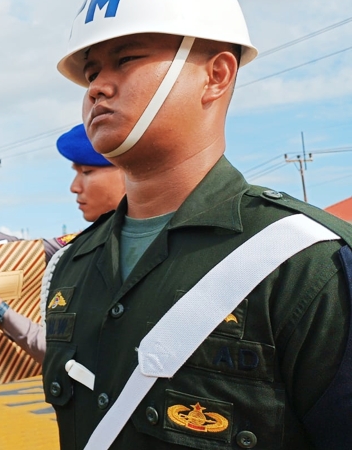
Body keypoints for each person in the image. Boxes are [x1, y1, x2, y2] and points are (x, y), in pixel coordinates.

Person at [41, 0, 352, 449]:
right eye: (91, 73)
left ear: (217, 75)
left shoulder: (305, 264)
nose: (97, 88)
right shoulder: (71, 264)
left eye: (125, 59)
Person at [0, 124, 125, 363]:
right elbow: (34, 251)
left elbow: (73, 355)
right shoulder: (89, 240)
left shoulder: (133, 247)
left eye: (87, 172)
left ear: (129, 169)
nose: (74, 187)